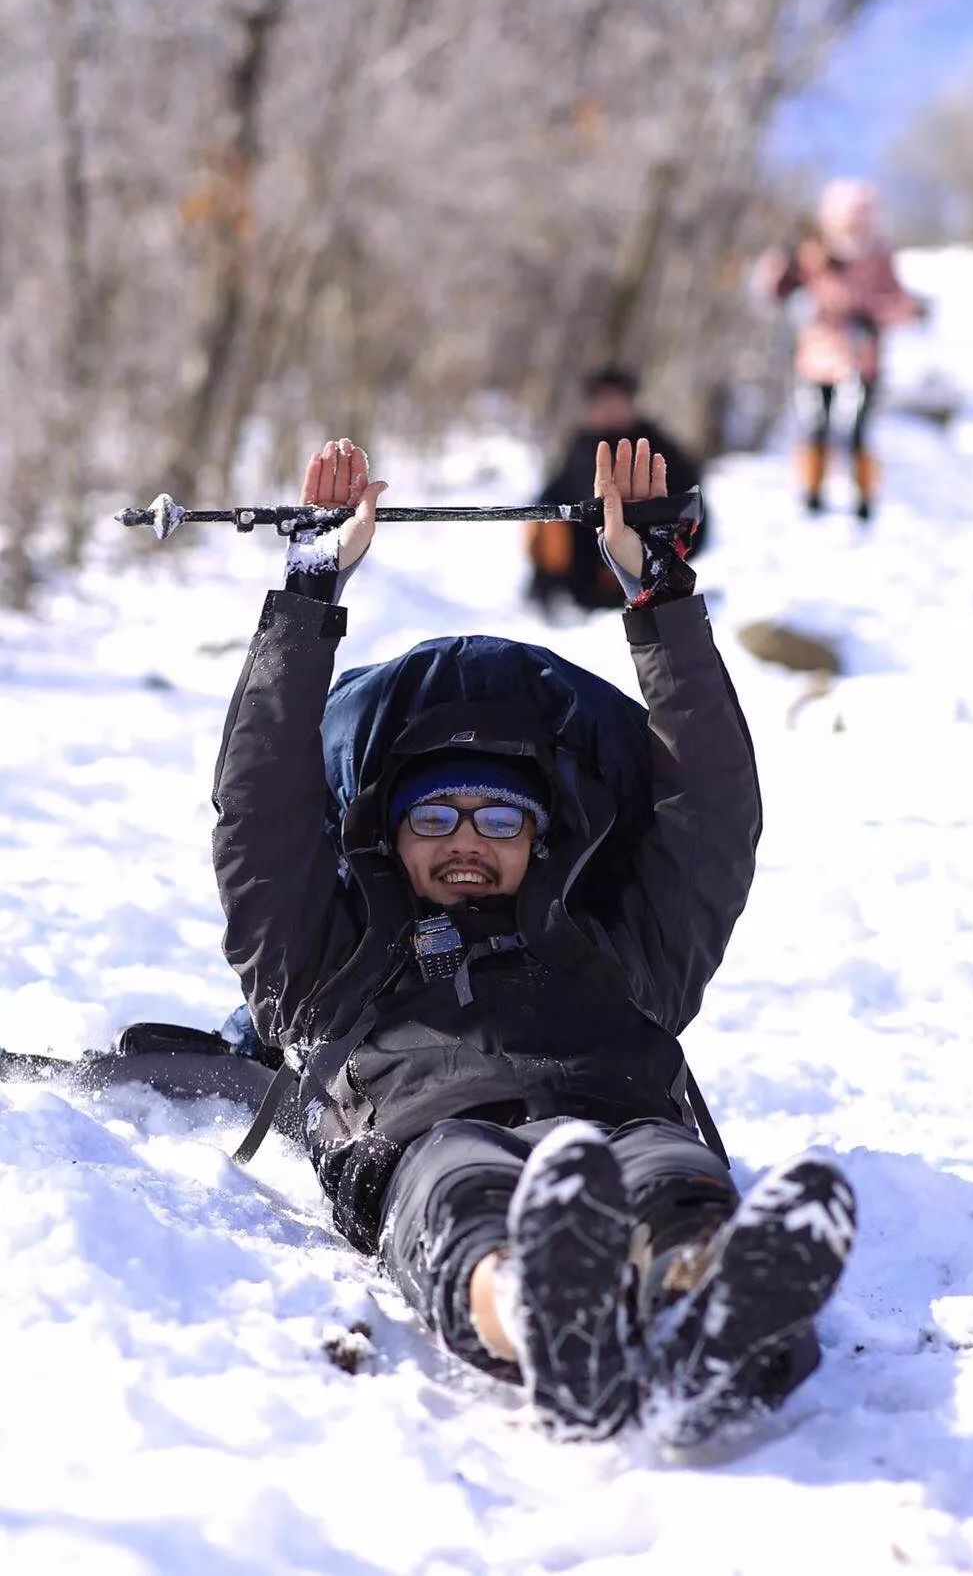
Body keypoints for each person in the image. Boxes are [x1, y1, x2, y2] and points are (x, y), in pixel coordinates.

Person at [212, 434, 856, 1445]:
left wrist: (661, 597)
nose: (467, 842)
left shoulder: (619, 946)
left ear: (540, 836)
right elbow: (260, 817)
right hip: (422, 1132)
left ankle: (713, 1310)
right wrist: (308, 593)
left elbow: (712, 814)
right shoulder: (325, 962)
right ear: (390, 832)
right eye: (437, 818)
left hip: (620, 1117)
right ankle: (543, 1322)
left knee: (665, 1181)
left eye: (499, 819)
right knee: (468, 1196)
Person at [758, 180, 923, 521]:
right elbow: (774, 289)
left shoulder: (879, 256)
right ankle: (811, 493)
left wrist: (878, 315)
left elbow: (897, 301)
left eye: (860, 219)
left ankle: (864, 498)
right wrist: (781, 266)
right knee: (814, 425)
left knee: (857, 431)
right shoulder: (812, 253)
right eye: (847, 220)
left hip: (863, 361)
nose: (854, 229)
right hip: (816, 358)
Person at [526, 366, 705, 613]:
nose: (609, 409)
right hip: (581, 580)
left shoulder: (659, 448)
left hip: (644, 578)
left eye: (616, 401)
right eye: (602, 402)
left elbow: (692, 508)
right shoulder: (580, 448)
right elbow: (554, 500)